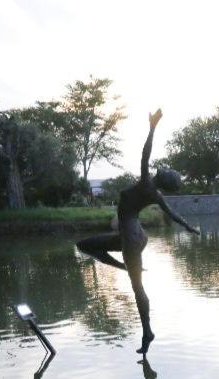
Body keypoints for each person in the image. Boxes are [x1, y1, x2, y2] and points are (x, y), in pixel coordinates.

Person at [77, 109, 199, 354]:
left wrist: (152, 128)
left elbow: (145, 154)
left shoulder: (147, 184)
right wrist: (187, 226)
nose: (166, 169)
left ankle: (147, 332)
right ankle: (125, 267)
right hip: (133, 235)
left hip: (132, 238)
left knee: (137, 287)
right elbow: (172, 214)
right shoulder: (156, 193)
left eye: (169, 172)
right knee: (86, 245)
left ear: (162, 178)